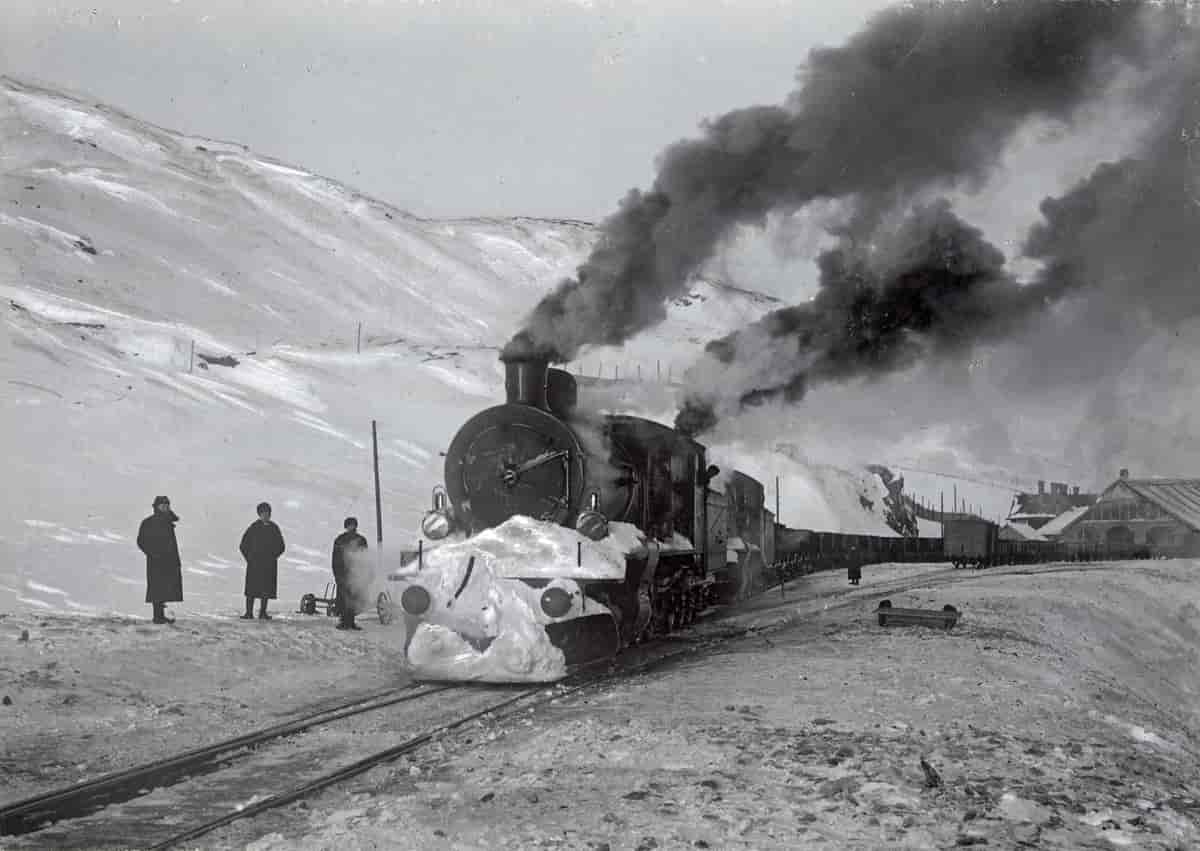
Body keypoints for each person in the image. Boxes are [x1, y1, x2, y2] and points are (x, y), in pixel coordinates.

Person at [137, 495, 183, 624]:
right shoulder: (149, 522)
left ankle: (160, 616)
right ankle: (157, 616)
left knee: (165, 588)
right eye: (162, 505)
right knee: (157, 588)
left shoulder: (168, 521)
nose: (165, 508)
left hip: (169, 560)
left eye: (167, 505)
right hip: (156, 561)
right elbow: (141, 541)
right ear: (156, 507)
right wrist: (153, 554)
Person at [239, 502, 285, 620]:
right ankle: (248, 613)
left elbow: (281, 546)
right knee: (251, 589)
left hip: (269, 565)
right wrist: (249, 559)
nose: (266, 515)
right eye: (263, 513)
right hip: (254, 564)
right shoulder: (253, 527)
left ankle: (263, 612)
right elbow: (243, 545)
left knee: (266, 589)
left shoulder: (274, 528)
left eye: (268, 513)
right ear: (259, 514)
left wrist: (273, 557)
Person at [331, 517, 368, 631]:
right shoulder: (340, 539)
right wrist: (337, 573)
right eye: (349, 525)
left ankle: (351, 621)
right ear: (346, 526)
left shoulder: (361, 540)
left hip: (356, 573)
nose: (351, 527)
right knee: (343, 597)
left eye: (353, 525)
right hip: (343, 573)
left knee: (354, 597)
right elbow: (336, 558)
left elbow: (365, 557)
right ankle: (343, 621)